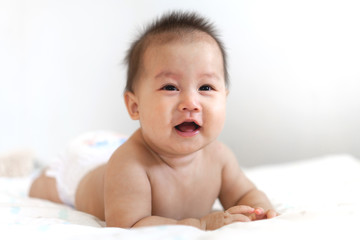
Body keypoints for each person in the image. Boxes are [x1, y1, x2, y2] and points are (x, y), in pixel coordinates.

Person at [29, 11, 278, 230]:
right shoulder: (130, 166)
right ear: (135, 106)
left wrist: (259, 211)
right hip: (82, 167)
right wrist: (200, 225)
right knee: (42, 187)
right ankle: (31, 166)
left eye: (206, 87)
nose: (190, 102)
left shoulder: (220, 158)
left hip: (109, 146)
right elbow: (129, 224)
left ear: (225, 98)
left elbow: (245, 193)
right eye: (170, 87)